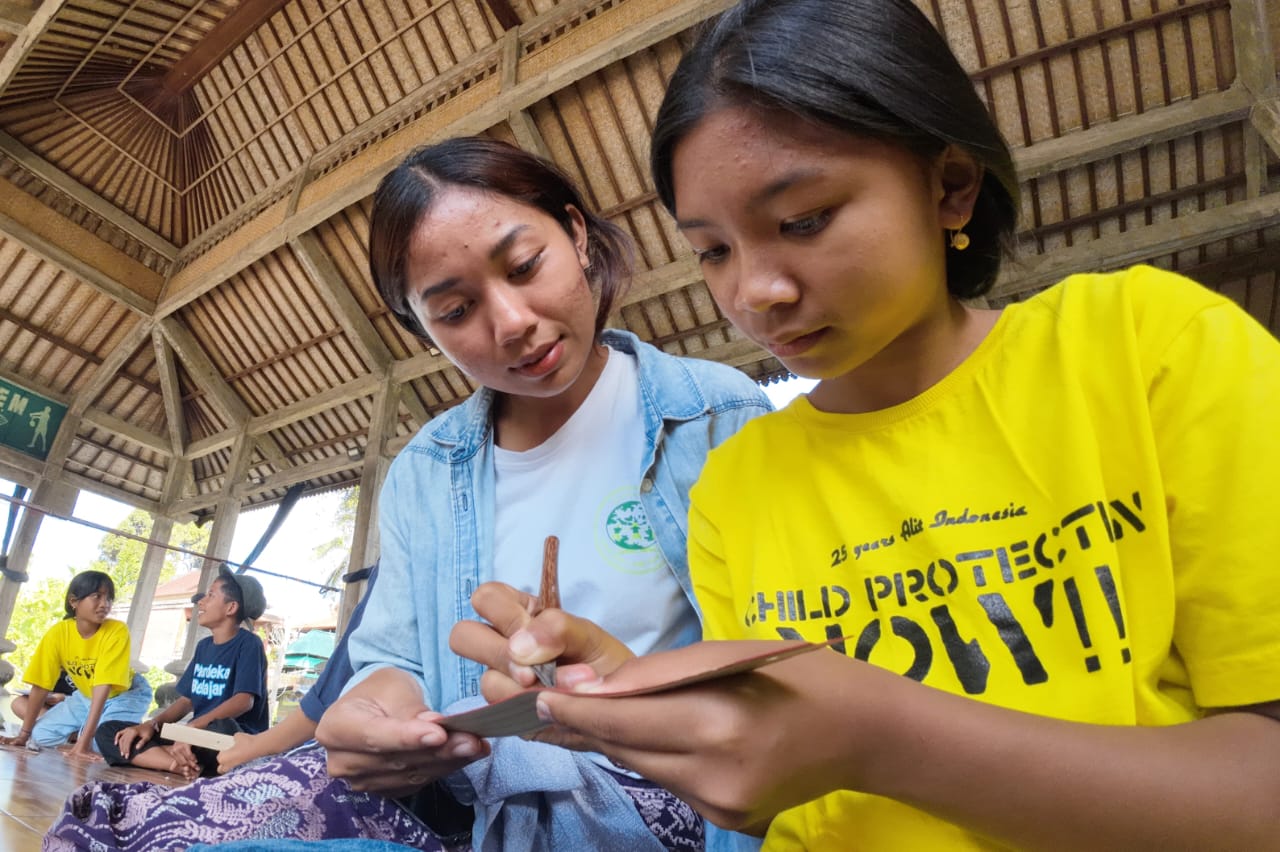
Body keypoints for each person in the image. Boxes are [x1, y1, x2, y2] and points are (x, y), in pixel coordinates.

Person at [451, 1, 1280, 850]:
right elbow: (782, 804)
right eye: (713, 250)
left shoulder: (1145, 349)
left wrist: (884, 739)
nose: (753, 292)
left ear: (950, 186)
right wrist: (637, 704)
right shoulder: (737, 488)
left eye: (803, 220)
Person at [313, 135, 771, 852]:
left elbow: (771, 656)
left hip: (667, 794)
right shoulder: (425, 471)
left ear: (578, 233)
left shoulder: (718, 415)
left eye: (525, 266)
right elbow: (394, 659)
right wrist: (378, 712)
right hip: (470, 788)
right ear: (422, 331)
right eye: (456, 311)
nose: (512, 322)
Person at [94, 565, 269, 779]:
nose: (200, 601)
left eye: (211, 595)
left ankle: (172, 756)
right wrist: (151, 725)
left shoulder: (248, 643)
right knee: (111, 731)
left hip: (229, 737)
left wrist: (193, 727)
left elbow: (243, 701)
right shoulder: (204, 647)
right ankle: (178, 764)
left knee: (222, 728)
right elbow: (187, 700)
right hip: (195, 735)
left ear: (231, 608)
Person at [0, 570, 151, 759]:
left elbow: (103, 686)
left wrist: (84, 744)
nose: (105, 604)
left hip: (126, 694)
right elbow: (40, 684)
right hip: (86, 696)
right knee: (40, 736)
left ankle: (96, 736)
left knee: (101, 742)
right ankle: (82, 735)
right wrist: (23, 735)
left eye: (109, 598)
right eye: (97, 596)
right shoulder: (58, 633)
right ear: (73, 601)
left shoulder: (116, 631)